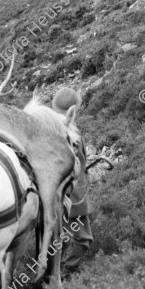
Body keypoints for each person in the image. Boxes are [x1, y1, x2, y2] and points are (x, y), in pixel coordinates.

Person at [51, 87, 93, 275]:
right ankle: (64, 273)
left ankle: (50, 273)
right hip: (72, 193)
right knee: (83, 239)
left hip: (49, 194)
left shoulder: (45, 126)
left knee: (54, 236)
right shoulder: (70, 133)